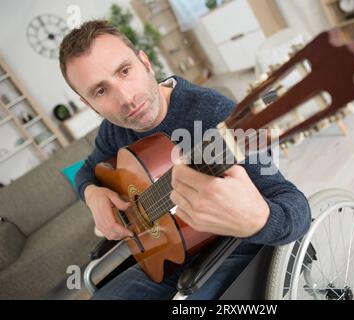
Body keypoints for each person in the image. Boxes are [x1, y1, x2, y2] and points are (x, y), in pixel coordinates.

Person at [59, 20, 311, 300]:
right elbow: (86, 172)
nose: (127, 98)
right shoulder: (113, 130)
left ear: (145, 62)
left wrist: (259, 218)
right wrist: (92, 194)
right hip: (162, 256)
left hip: (229, 250)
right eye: (101, 91)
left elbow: (295, 209)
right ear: (88, 104)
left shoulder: (213, 115)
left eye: (125, 71)